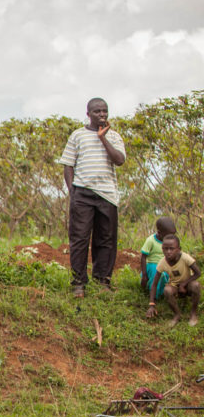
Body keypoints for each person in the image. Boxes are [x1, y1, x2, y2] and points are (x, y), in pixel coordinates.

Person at [57, 98, 126, 297]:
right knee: (79, 239)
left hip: (107, 195)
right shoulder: (77, 135)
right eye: (97, 111)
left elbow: (119, 160)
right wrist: (73, 192)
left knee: (106, 240)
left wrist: (103, 138)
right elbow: (68, 164)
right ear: (88, 114)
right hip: (82, 193)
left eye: (105, 111)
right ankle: (78, 283)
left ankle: (102, 281)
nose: (102, 115)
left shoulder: (114, 136)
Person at [146, 234, 200, 327]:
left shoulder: (185, 258)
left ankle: (193, 314)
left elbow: (198, 273)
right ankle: (177, 314)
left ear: (179, 249)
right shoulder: (162, 262)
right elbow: (154, 284)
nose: (168, 252)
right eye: (165, 249)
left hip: (188, 284)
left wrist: (184, 284)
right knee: (167, 290)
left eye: (171, 248)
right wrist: (151, 304)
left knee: (196, 285)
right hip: (174, 286)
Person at [140, 217, 176, 302]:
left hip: (165, 264)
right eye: (169, 235)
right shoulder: (151, 240)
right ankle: (154, 297)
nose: (172, 237)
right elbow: (143, 257)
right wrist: (144, 275)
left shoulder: (170, 241)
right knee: (158, 274)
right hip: (152, 264)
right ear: (159, 233)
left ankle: (166, 293)